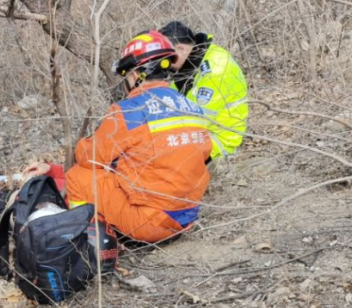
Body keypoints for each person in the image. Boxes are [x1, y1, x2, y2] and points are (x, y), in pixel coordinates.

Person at [25, 31, 213, 243]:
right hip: (186, 217)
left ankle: (90, 239)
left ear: (134, 75)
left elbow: (89, 157)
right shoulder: (191, 106)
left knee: (78, 176)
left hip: (151, 224)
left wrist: (82, 146)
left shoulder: (129, 111)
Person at [160, 20, 248, 159]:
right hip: (199, 133)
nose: (165, 62)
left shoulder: (215, 69)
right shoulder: (192, 62)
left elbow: (199, 120)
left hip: (218, 140)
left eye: (166, 56)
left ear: (181, 48)